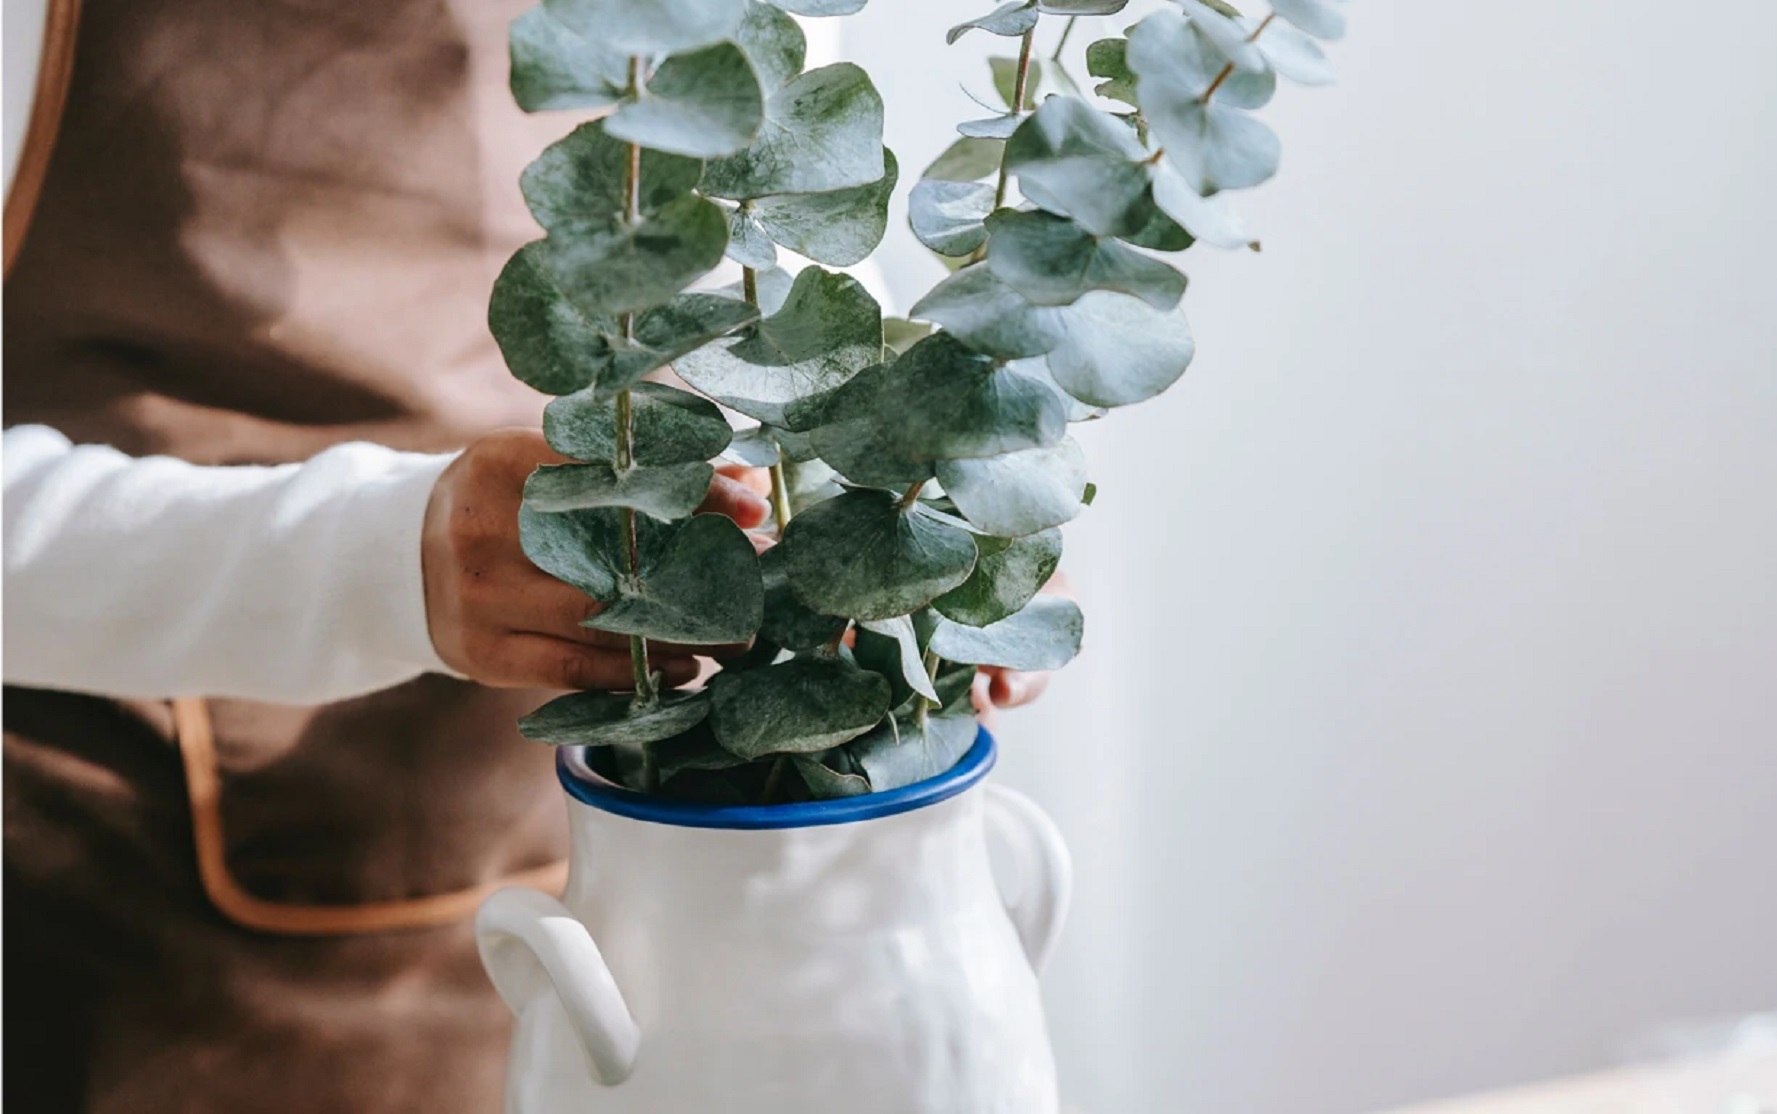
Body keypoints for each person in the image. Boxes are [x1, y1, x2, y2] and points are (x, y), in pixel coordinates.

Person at [1, 2, 1049, 1111]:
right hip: (141, 899)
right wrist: (372, 561)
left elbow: (776, 250)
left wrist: (914, 491)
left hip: (626, 869)